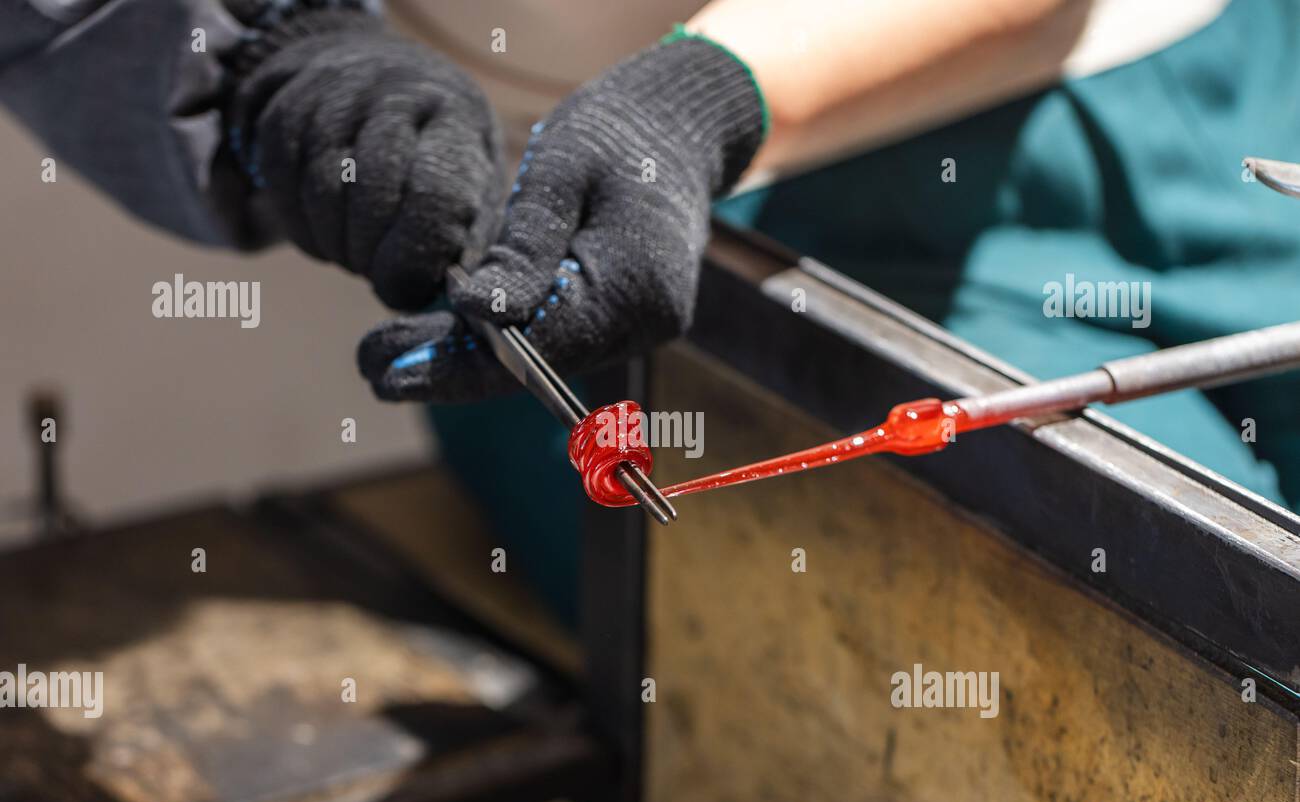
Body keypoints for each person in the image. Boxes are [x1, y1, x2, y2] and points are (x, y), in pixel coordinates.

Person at [4, 0, 1298, 624]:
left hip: (1176, 91)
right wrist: (270, 56)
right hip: (600, 257)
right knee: (1178, 659)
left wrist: (701, 98)